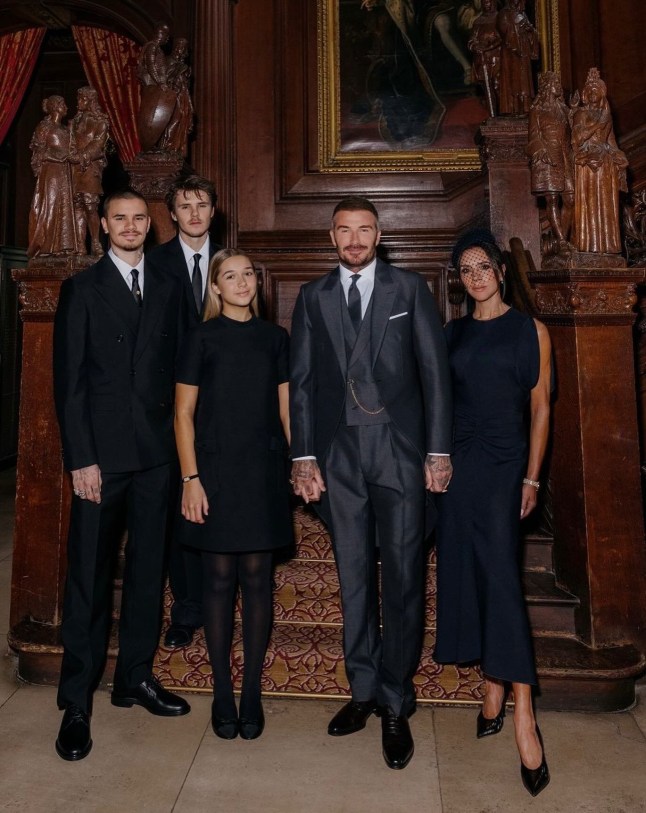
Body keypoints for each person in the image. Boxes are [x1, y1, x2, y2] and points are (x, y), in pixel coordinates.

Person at [289, 196, 453, 770]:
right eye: (343, 231)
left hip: (401, 451)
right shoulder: (313, 297)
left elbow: (435, 372)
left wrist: (437, 450)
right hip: (338, 455)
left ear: (380, 234)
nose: (353, 239)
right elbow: (303, 383)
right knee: (352, 573)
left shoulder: (408, 291)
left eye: (363, 230)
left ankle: (394, 699)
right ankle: (361, 689)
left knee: (405, 575)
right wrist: (303, 457)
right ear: (331, 237)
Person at [52, 189, 190, 762]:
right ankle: (77, 698)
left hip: (157, 455)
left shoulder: (167, 286)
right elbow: (70, 383)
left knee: (147, 573)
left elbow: (182, 372)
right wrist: (81, 459)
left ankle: (135, 675)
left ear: (148, 227)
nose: (131, 227)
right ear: (103, 225)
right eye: (120, 219)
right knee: (89, 574)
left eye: (139, 219)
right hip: (101, 461)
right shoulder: (82, 289)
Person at [434, 228, 551, 797]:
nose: (476, 276)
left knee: (503, 581)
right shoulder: (450, 333)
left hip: (506, 466)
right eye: (466, 269)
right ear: (459, 279)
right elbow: (435, 403)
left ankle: (524, 712)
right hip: (459, 467)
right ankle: (492, 688)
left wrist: (532, 475)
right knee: (469, 573)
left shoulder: (532, 330)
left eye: (484, 266)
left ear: (502, 270)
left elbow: (540, 408)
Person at [174, 248, 292, 740]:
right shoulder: (200, 338)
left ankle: (251, 694)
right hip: (214, 473)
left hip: (263, 472)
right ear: (216, 288)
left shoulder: (275, 338)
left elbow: (287, 411)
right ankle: (222, 692)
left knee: (258, 577)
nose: (242, 282)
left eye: (248, 274)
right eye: (230, 275)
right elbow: (182, 416)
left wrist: (300, 464)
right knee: (218, 579)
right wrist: (191, 479)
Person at [147, 174, 220, 650]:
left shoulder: (233, 264)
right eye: (184, 206)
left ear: (214, 211)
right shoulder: (153, 265)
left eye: (202, 205)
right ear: (172, 213)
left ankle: (219, 602)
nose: (194, 214)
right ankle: (187, 609)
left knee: (220, 508)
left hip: (225, 410)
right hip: (171, 410)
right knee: (180, 512)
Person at [571, 68, 628, 254]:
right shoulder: (581, 114)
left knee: (606, 206)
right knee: (589, 203)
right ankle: (589, 246)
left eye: (597, 89)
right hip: (587, 164)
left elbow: (611, 142)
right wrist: (597, 125)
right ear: (586, 94)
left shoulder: (607, 116)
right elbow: (578, 138)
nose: (593, 92)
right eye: (590, 90)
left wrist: (619, 156)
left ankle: (607, 246)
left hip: (605, 164)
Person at [527, 71, 575, 251]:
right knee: (552, 198)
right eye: (554, 83)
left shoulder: (564, 109)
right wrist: (542, 149)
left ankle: (564, 236)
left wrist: (575, 110)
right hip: (549, 158)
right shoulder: (537, 110)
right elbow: (533, 136)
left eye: (558, 82)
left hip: (565, 156)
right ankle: (561, 240)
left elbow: (574, 130)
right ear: (547, 86)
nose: (558, 86)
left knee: (570, 199)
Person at [27, 95, 77, 258]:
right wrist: (58, 156)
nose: (66, 107)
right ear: (55, 107)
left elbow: (72, 150)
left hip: (66, 172)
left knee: (65, 206)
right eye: (63, 104)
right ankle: (45, 246)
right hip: (51, 173)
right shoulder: (44, 127)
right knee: (50, 205)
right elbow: (39, 151)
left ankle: (63, 246)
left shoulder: (65, 129)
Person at [69, 87, 110, 255]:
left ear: (90, 101)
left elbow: (98, 144)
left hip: (90, 167)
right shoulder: (74, 122)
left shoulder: (101, 121)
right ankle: (79, 245)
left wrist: (82, 156)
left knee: (90, 204)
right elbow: (70, 141)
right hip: (74, 168)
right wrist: (71, 155)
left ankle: (95, 242)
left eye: (82, 99)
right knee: (77, 204)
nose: (79, 103)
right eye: (78, 99)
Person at [496, 0, 539, 115]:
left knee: (524, 81)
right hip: (511, 54)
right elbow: (504, 32)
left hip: (523, 51)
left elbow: (531, 31)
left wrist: (530, 31)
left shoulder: (522, 13)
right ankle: (515, 108)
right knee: (514, 81)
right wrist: (515, 40)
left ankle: (525, 106)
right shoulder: (504, 14)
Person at [160, 37, 194, 154]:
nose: (180, 49)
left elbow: (185, 82)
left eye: (183, 48)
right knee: (173, 120)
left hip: (182, 95)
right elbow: (165, 77)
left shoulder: (184, 66)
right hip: (172, 95)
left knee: (181, 120)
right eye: (179, 46)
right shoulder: (168, 61)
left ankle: (175, 148)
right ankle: (166, 146)